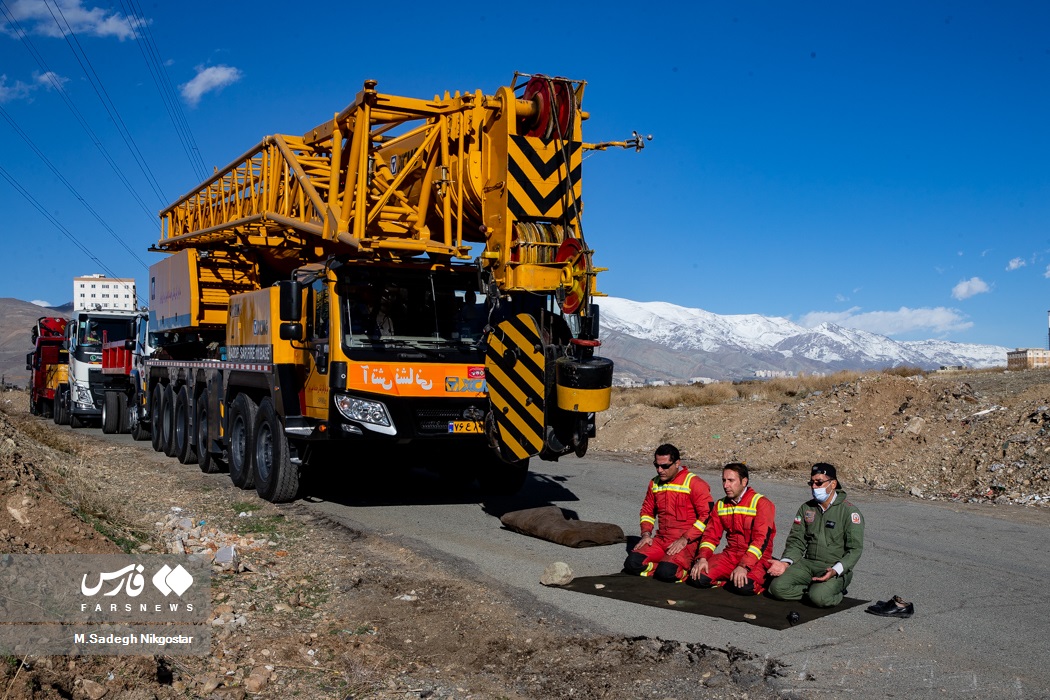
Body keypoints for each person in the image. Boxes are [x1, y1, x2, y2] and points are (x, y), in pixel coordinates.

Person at [767, 463, 864, 608]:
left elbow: (854, 549)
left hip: (832, 567)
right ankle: (811, 592)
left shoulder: (849, 512)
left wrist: (836, 570)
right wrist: (785, 562)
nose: (814, 487)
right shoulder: (807, 508)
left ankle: (834, 591)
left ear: (833, 484)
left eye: (819, 483)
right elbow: (796, 540)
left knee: (819, 598)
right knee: (777, 588)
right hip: (808, 564)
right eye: (811, 483)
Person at [623, 444, 712, 583]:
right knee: (632, 563)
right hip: (661, 539)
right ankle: (661, 567)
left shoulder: (695, 483)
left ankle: (680, 569)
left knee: (667, 573)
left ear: (677, 463)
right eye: (656, 466)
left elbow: (707, 516)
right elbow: (647, 511)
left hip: (686, 543)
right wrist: (646, 534)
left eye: (664, 466)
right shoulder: (654, 483)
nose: (660, 470)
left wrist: (685, 539)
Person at [689, 462, 776, 596]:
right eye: (724, 480)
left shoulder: (762, 504)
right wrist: (702, 558)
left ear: (744, 481)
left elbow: (760, 540)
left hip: (756, 558)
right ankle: (730, 579)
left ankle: (765, 579)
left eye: (731, 480)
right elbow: (710, 536)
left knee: (745, 587)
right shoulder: (721, 505)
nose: (725, 485)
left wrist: (744, 566)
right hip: (731, 555)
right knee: (697, 577)